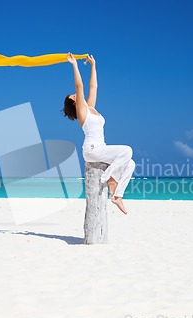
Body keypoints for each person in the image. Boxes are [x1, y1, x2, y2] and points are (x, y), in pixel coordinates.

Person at [63, 53, 135, 214]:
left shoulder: (91, 108)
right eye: (73, 97)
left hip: (101, 148)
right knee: (127, 150)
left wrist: (93, 65)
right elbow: (80, 86)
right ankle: (108, 178)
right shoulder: (82, 111)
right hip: (92, 150)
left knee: (130, 163)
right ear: (74, 103)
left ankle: (117, 196)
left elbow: (93, 87)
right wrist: (74, 64)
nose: (76, 95)